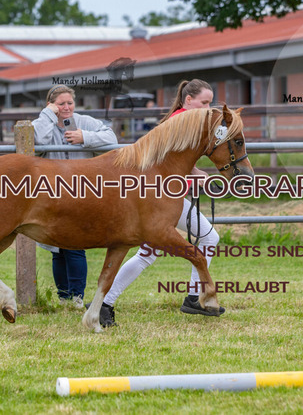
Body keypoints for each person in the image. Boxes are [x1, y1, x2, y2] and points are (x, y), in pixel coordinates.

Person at [97, 79, 224, 326]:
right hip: (162, 200)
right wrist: (195, 173)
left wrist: (194, 172)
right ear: (189, 100)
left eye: (211, 103)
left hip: (167, 197)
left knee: (148, 254)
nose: (208, 108)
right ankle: (193, 297)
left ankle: (106, 303)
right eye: (204, 102)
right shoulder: (180, 121)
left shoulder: (184, 121)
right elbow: (165, 159)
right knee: (207, 238)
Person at [32, 84, 118, 308]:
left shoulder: (85, 122)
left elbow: (111, 137)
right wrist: (48, 115)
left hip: (81, 194)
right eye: (61, 104)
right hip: (53, 194)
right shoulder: (44, 123)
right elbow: (37, 141)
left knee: (75, 245)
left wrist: (85, 137)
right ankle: (64, 297)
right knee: (57, 248)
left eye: (70, 103)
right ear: (51, 105)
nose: (66, 107)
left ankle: (77, 297)